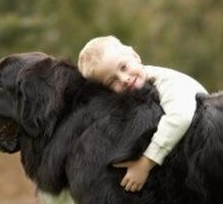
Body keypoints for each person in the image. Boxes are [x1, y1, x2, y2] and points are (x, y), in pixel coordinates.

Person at [77, 35, 208, 192]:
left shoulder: (166, 83)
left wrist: (146, 163)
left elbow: (180, 118)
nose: (124, 79)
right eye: (112, 81)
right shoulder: (136, 96)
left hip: (207, 141)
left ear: (135, 56)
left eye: (124, 67)